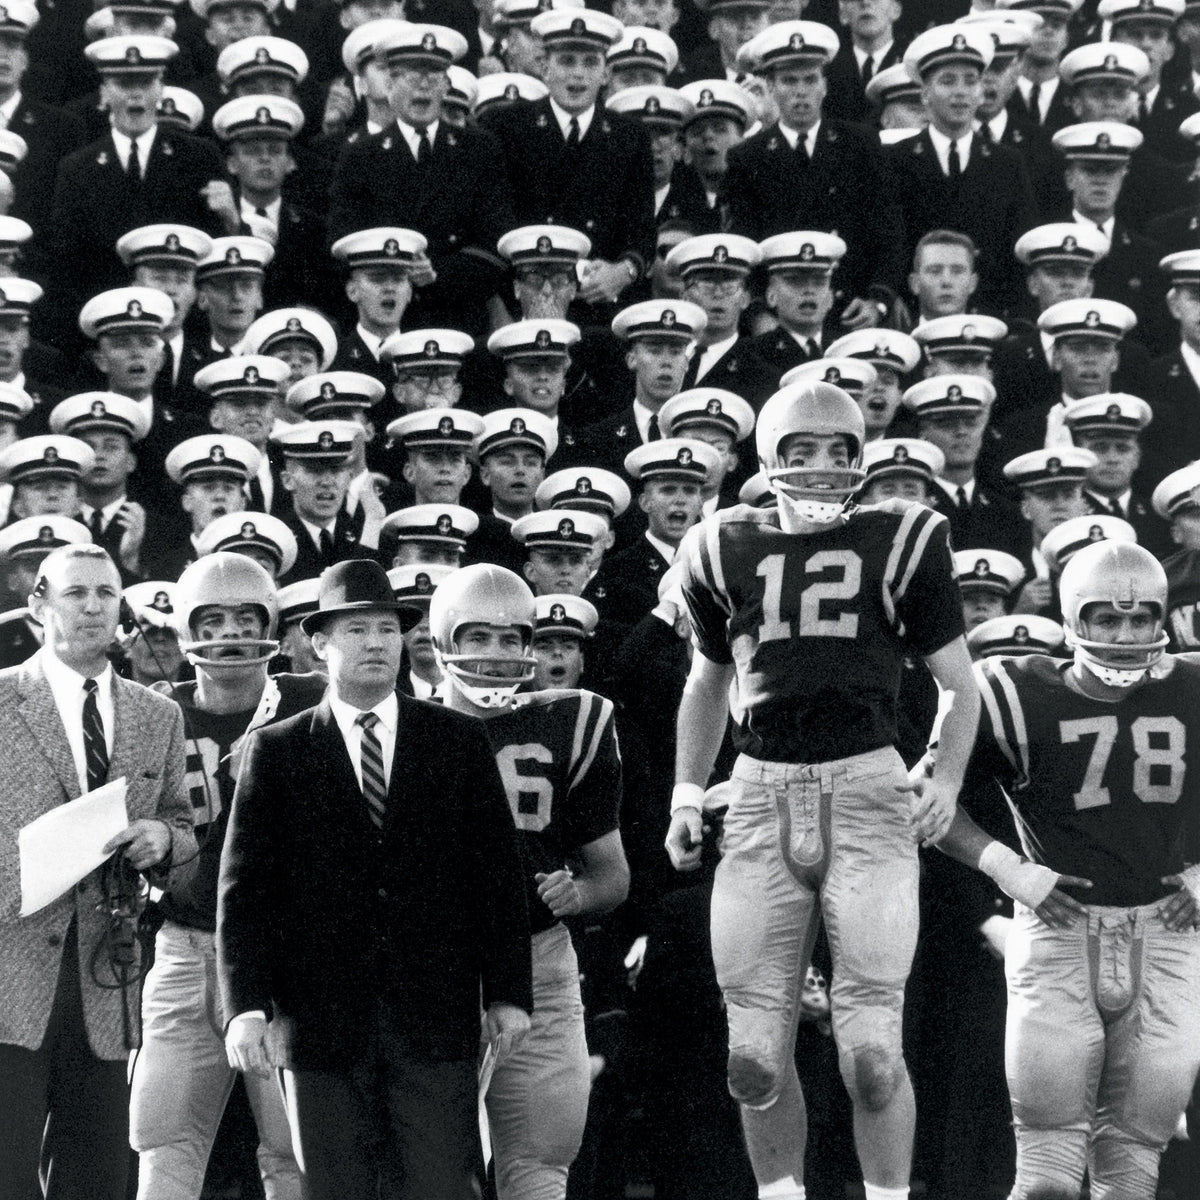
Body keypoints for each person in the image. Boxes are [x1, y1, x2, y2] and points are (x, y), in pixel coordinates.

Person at [666, 380, 980, 1200]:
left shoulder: (902, 537)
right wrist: (683, 793)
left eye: (837, 453)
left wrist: (944, 775)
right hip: (760, 794)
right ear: (768, 461)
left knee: (873, 1053)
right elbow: (704, 684)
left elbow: (959, 683)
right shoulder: (719, 544)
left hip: (869, 791)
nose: (818, 469)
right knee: (751, 1057)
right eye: (799, 453)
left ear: (861, 461)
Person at [218, 557, 533, 1200]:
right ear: (319, 642)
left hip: (434, 1015)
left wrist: (508, 993)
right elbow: (244, 893)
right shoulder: (275, 751)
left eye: (388, 628)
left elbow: (497, 878)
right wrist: (244, 1006)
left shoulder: (458, 740)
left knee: (441, 1184)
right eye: (357, 629)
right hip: (320, 1022)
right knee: (334, 1188)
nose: (376, 643)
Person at [932, 539, 1200, 1200]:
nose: (1127, 633)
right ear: (1073, 619)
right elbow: (926, 797)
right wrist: (1006, 867)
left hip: (1169, 941)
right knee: (1048, 1172)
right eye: (1107, 618)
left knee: (1133, 1170)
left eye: (1141, 619)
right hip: (1057, 938)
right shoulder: (1012, 689)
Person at [0, 542, 195, 1200]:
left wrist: (164, 839)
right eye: (75, 593)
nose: (92, 607)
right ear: (37, 607)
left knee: (98, 1179)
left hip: (107, 984)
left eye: (106, 594)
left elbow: (181, 820)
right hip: (8, 978)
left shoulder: (157, 714)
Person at [129, 553, 323, 1200]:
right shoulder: (156, 709)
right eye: (213, 619)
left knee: (293, 1149)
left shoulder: (313, 700)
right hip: (184, 944)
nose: (232, 633)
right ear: (185, 629)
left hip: (288, 952)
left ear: (274, 621)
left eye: (247, 616)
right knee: (163, 1141)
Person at [433, 563, 629, 1200]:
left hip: (540, 959)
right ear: (441, 643)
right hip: (432, 970)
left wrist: (580, 894)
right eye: (477, 638)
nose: (496, 655)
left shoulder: (570, 722)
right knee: (433, 1167)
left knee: (541, 1166)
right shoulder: (402, 730)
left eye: (512, 638)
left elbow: (612, 877)